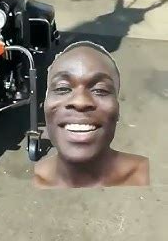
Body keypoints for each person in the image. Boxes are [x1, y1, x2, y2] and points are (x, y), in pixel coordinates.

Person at [33, 41, 150, 188]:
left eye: (100, 90)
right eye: (62, 88)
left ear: (118, 110)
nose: (80, 102)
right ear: (45, 106)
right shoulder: (34, 182)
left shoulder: (145, 176)